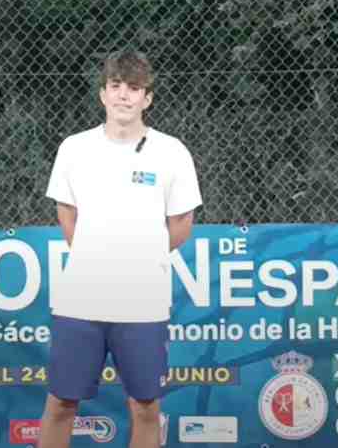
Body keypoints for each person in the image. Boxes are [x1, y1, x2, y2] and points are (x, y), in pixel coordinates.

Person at [38, 50, 202, 448]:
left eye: (133, 88)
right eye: (116, 87)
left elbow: (181, 224)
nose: (124, 96)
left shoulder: (172, 152)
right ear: (103, 95)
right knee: (61, 403)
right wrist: (98, 257)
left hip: (142, 302)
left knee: (145, 406)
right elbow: (66, 211)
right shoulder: (75, 148)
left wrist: (139, 258)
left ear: (147, 98)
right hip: (81, 300)